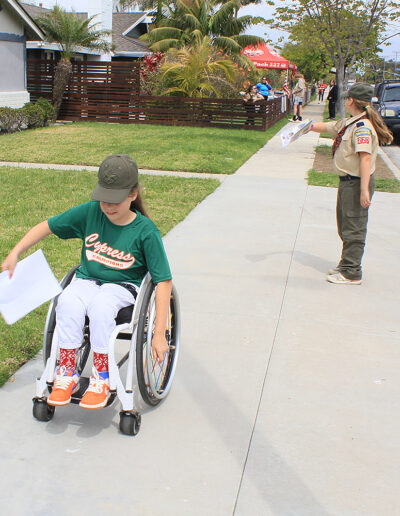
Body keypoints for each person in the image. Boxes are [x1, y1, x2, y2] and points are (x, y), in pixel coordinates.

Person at [1, 154, 172, 408]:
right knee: (67, 300)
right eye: (104, 199)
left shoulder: (146, 231)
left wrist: (159, 334)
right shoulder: (90, 213)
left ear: (133, 194)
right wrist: (15, 252)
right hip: (87, 279)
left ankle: (102, 378)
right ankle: (67, 373)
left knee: (101, 306)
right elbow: (46, 226)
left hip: (123, 287)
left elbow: (163, 282)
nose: (108, 206)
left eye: (115, 200)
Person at [309, 83, 393, 284]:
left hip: (356, 183)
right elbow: (329, 127)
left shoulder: (362, 127)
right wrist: (306, 127)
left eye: (347, 98)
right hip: (348, 182)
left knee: (354, 226)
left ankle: (352, 271)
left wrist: (364, 190)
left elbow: (364, 158)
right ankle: (347, 262)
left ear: (352, 101)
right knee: (345, 224)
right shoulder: (351, 123)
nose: (345, 100)